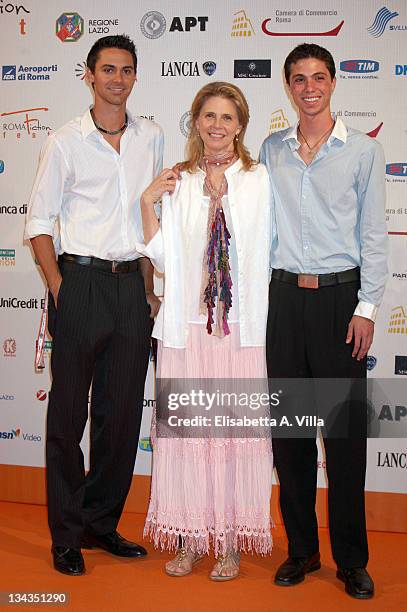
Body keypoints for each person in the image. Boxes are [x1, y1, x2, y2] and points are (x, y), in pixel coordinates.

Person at [24, 34, 163, 576]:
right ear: (88, 75)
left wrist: (150, 289)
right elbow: (38, 224)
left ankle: (100, 524)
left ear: (134, 77)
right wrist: (61, 287)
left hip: (132, 286)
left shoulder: (150, 137)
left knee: (123, 415)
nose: (118, 79)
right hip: (79, 283)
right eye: (108, 69)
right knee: (66, 417)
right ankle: (66, 535)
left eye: (126, 70)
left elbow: (151, 220)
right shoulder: (65, 141)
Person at [260, 44, 388, 599]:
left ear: (333, 82)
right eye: (298, 79)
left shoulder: (363, 153)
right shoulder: (271, 149)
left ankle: (352, 561)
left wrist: (366, 308)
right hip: (283, 303)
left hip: (341, 304)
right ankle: (302, 551)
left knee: (344, 441)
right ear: (288, 87)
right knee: (289, 441)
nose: (309, 87)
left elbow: (374, 237)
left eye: (318, 77)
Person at [140, 82, 273, 580]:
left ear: (240, 126)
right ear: (195, 122)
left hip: (236, 330)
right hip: (188, 329)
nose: (217, 125)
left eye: (227, 117)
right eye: (208, 116)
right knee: (190, 434)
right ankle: (193, 536)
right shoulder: (179, 179)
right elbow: (160, 256)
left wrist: (227, 201)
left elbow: (260, 247)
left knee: (232, 433)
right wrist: (149, 201)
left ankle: (231, 540)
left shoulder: (255, 179)